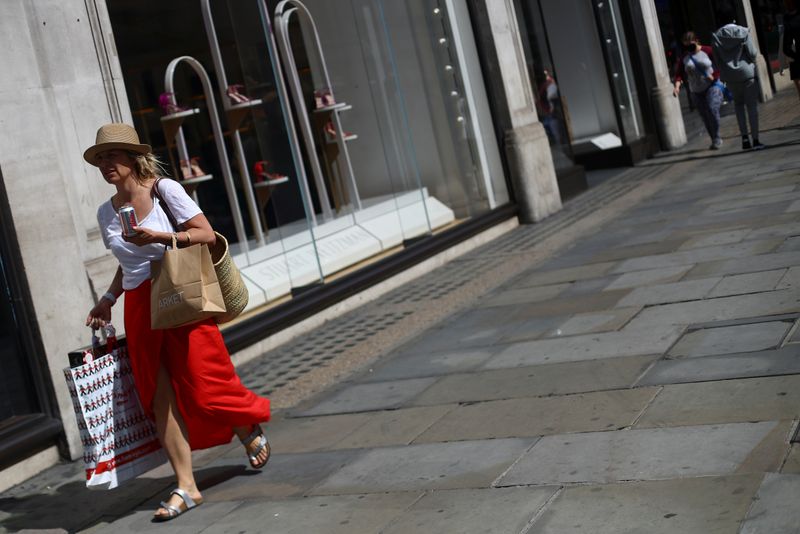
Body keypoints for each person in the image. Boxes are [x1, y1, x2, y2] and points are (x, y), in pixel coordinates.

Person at [83, 123, 271, 521]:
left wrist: (161, 238)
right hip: (138, 306)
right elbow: (125, 266)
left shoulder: (164, 190)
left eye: (112, 156)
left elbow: (205, 234)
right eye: (100, 159)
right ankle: (186, 486)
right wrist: (107, 299)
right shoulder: (106, 212)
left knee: (206, 383)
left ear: (133, 157)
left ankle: (245, 422)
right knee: (158, 397)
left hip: (180, 292)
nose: (105, 165)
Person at [711, 8, 765, 150]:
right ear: (734, 19)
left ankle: (745, 139)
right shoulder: (743, 32)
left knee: (739, 107)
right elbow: (753, 52)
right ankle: (756, 140)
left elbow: (717, 61)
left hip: (730, 78)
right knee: (752, 107)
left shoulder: (716, 37)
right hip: (747, 74)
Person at [673, 32, 725, 150]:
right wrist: (676, 87)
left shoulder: (708, 51)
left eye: (691, 45)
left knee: (712, 109)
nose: (689, 48)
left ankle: (716, 136)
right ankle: (714, 139)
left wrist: (714, 76)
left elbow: (720, 64)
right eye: (686, 46)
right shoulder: (684, 57)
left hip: (712, 86)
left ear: (696, 41)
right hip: (695, 90)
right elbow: (679, 74)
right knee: (705, 116)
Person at [784, 0, 800, 100]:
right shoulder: (787, 18)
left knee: (797, 79)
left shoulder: (787, 18)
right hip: (796, 53)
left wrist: (793, 55)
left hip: (796, 53)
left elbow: (786, 45)